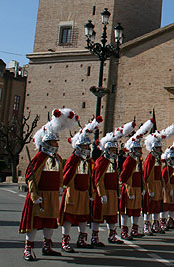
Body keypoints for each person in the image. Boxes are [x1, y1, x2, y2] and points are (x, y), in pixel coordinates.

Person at [19, 108, 78, 261]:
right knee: (34, 223)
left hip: (52, 194)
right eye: (53, 141)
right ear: (46, 142)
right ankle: (28, 248)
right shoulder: (40, 157)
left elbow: (59, 174)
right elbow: (31, 177)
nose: (56, 144)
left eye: (56, 141)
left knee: (50, 222)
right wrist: (34, 195)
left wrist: (60, 186)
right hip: (40, 194)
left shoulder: (57, 158)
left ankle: (47, 246)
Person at [59, 117, 100, 252]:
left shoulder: (87, 161)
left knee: (83, 216)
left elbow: (89, 177)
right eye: (85, 146)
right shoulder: (73, 159)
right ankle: (65, 240)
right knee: (69, 217)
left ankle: (82, 239)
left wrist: (90, 191)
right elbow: (67, 175)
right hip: (73, 191)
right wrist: (68, 189)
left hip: (84, 192)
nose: (88, 148)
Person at [91, 121, 134, 246]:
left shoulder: (112, 162)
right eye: (113, 149)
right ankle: (95, 237)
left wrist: (117, 191)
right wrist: (102, 193)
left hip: (112, 192)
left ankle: (112, 235)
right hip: (102, 193)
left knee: (112, 215)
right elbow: (98, 179)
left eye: (115, 149)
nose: (115, 151)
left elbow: (115, 177)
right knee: (98, 216)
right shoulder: (101, 161)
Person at [120, 120, 153, 240]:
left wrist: (143, 188)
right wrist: (129, 191)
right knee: (127, 211)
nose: (141, 151)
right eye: (139, 149)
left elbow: (141, 174)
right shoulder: (129, 160)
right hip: (131, 188)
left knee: (136, 210)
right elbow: (125, 176)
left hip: (138, 187)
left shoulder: (138, 160)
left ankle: (134, 229)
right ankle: (124, 231)